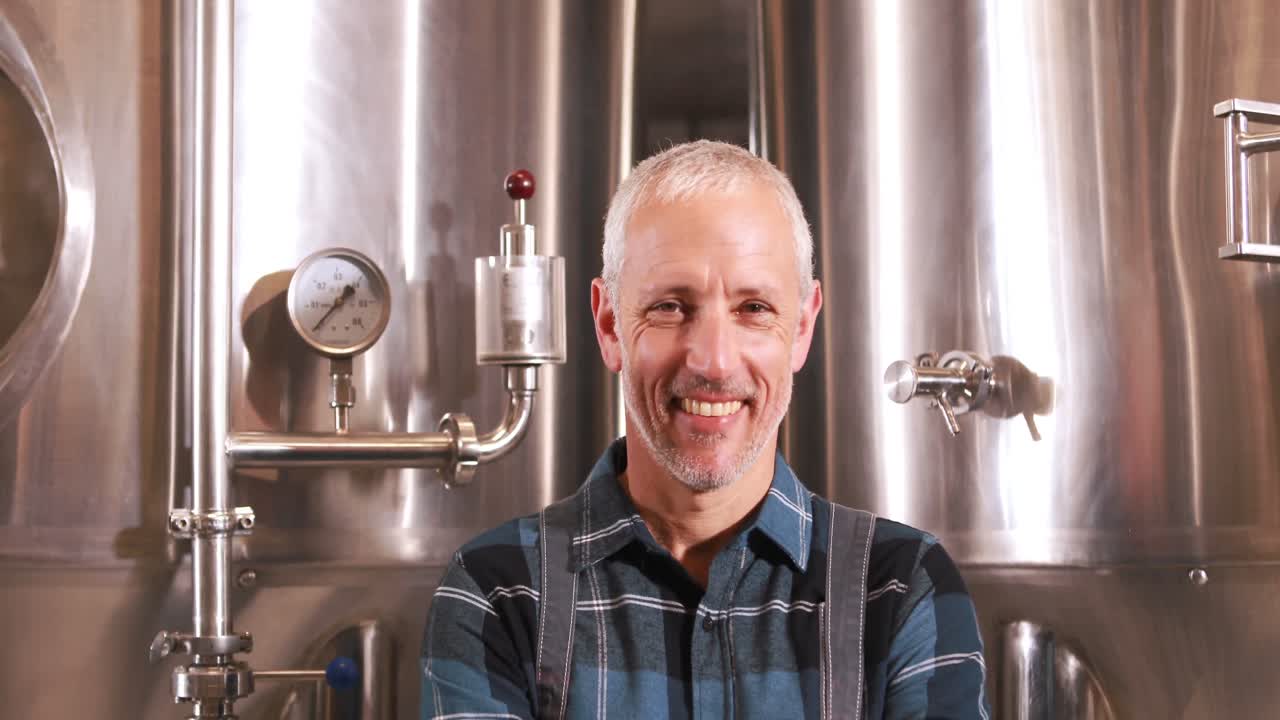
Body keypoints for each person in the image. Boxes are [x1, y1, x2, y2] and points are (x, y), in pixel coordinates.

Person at [421, 141, 989, 719]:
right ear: (610, 324)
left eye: (754, 308)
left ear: (801, 328)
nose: (714, 361)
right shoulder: (497, 592)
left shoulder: (898, 588)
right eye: (670, 306)